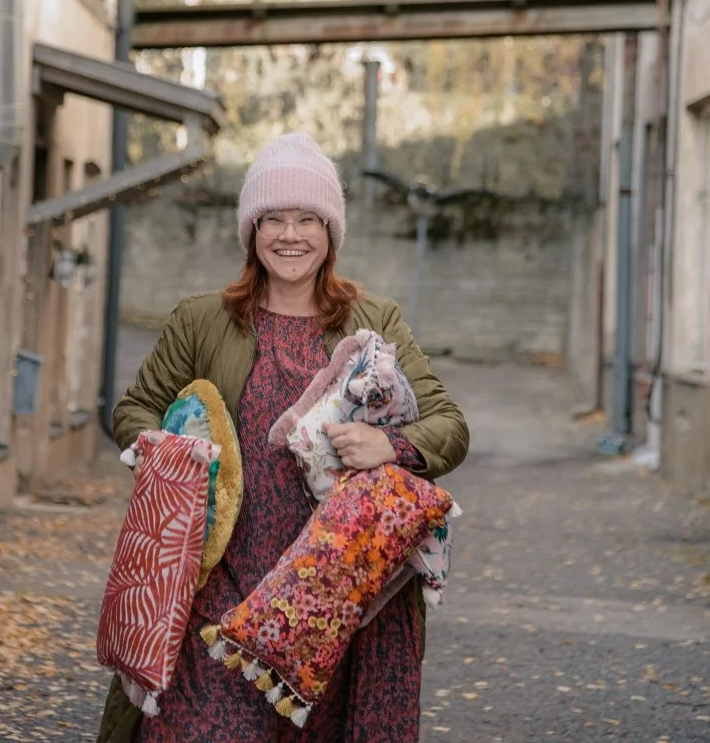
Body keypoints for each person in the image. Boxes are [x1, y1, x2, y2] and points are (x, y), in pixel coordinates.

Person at [97, 132, 469, 743]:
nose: (289, 235)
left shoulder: (375, 321)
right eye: (272, 218)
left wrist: (393, 447)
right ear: (251, 229)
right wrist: (166, 450)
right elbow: (137, 407)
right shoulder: (202, 319)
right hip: (221, 589)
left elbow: (449, 426)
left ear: (331, 233)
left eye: (307, 219)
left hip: (337, 601)